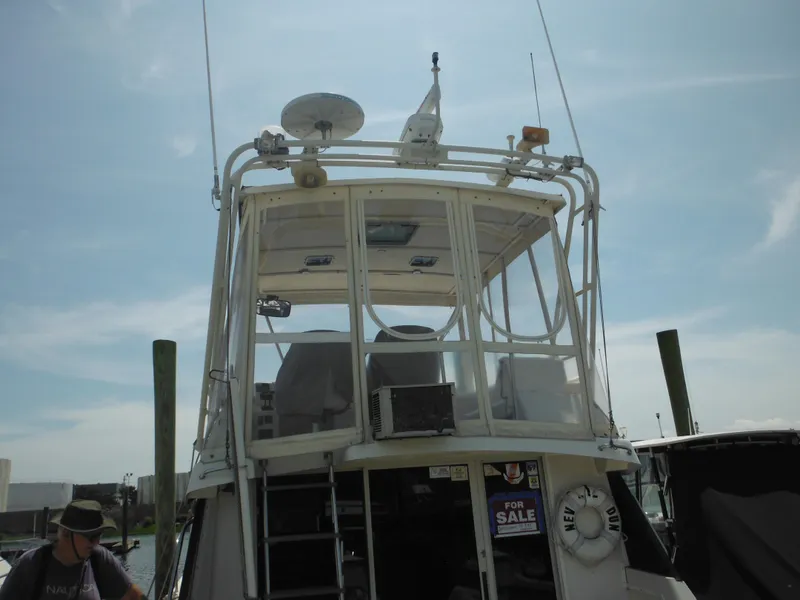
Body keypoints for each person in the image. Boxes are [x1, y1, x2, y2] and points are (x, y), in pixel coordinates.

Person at [0, 499, 147, 600]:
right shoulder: (31, 564)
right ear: (65, 533)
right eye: (90, 536)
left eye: (99, 535)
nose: (96, 542)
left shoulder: (99, 559)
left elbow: (133, 595)